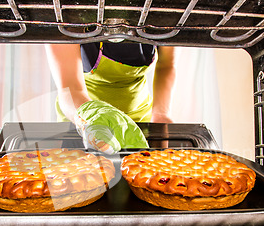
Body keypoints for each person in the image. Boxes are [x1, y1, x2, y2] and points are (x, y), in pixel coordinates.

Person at [45, 42, 176, 153]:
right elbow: (69, 88)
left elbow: (166, 65)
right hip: (83, 116)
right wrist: (92, 117)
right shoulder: (67, 17)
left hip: (138, 121)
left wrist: (161, 114)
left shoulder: (160, 16)